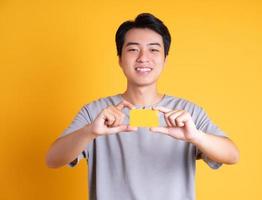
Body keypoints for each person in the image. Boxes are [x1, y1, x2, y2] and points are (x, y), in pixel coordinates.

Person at [46, 13, 239, 200]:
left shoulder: (186, 113)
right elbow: (52, 160)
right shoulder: (96, 112)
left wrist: (195, 136)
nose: (143, 57)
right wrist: (90, 132)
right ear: (120, 59)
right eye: (133, 49)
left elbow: (232, 155)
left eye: (154, 49)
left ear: (165, 59)